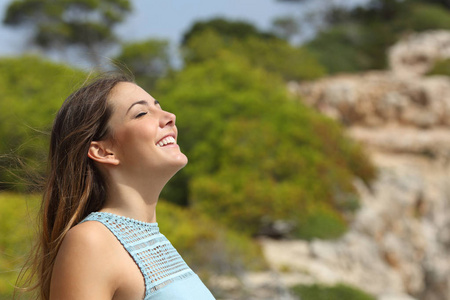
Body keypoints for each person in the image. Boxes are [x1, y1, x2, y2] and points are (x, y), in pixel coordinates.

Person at [19, 74, 215, 300]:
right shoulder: (91, 241)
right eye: (141, 113)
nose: (170, 117)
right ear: (103, 151)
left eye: (159, 107)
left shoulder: (154, 241)